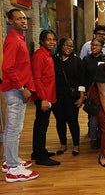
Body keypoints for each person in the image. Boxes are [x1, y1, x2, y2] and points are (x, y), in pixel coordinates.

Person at [1, 8, 39, 182]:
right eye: (18, 19)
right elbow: (7, 68)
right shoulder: (13, 40)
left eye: (24, 18)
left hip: (16, 89)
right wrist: (22, 87)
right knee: (14, 130)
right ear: (10, 21)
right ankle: (13, 169)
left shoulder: (18, 38)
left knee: (12, 128)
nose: (23, 21)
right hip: (15, 90)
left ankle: (10, 162)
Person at [31, 30, 60, 166]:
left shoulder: (48, 54)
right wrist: (43, 99)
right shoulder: (39, 55)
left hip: (48, 95)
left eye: (53, 39)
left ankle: (38, 151)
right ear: (42, 41)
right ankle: (41, 157)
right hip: (44, 97)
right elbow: (37, 78)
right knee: (41, 126)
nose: (52, 42)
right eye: (48, 39)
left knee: (41, 125)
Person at [53, 38, 85, 156]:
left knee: (73, 121)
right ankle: (63, 144)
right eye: (66, 45)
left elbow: (82, 80)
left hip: (72, 96)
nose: (69, 48)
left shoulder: (77, 61)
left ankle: (76, 145)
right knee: (60, 120)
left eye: (71, 46)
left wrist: (82, 97)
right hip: (57, 95)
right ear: (61, 46)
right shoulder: (54, 60)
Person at [83, 37, 105, 149]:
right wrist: (85, 92)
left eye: (97, 45)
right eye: (92, 45)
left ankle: (101, 137)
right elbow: (83, 77)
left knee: (102, 115)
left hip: (103, 92)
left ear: (102, 47)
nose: (94, 47)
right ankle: (93, 138)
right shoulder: (86, 59)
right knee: (93, 116)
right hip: (91, 92)